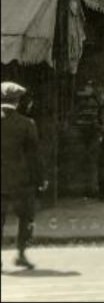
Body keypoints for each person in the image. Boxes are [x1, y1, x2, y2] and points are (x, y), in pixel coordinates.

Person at [1, 82, 45, 270]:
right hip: (21, 180)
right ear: (18, 101)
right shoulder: (27, 124)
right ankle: (21, 253)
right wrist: (40, 179)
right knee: (27, 217)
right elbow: (33, 156)